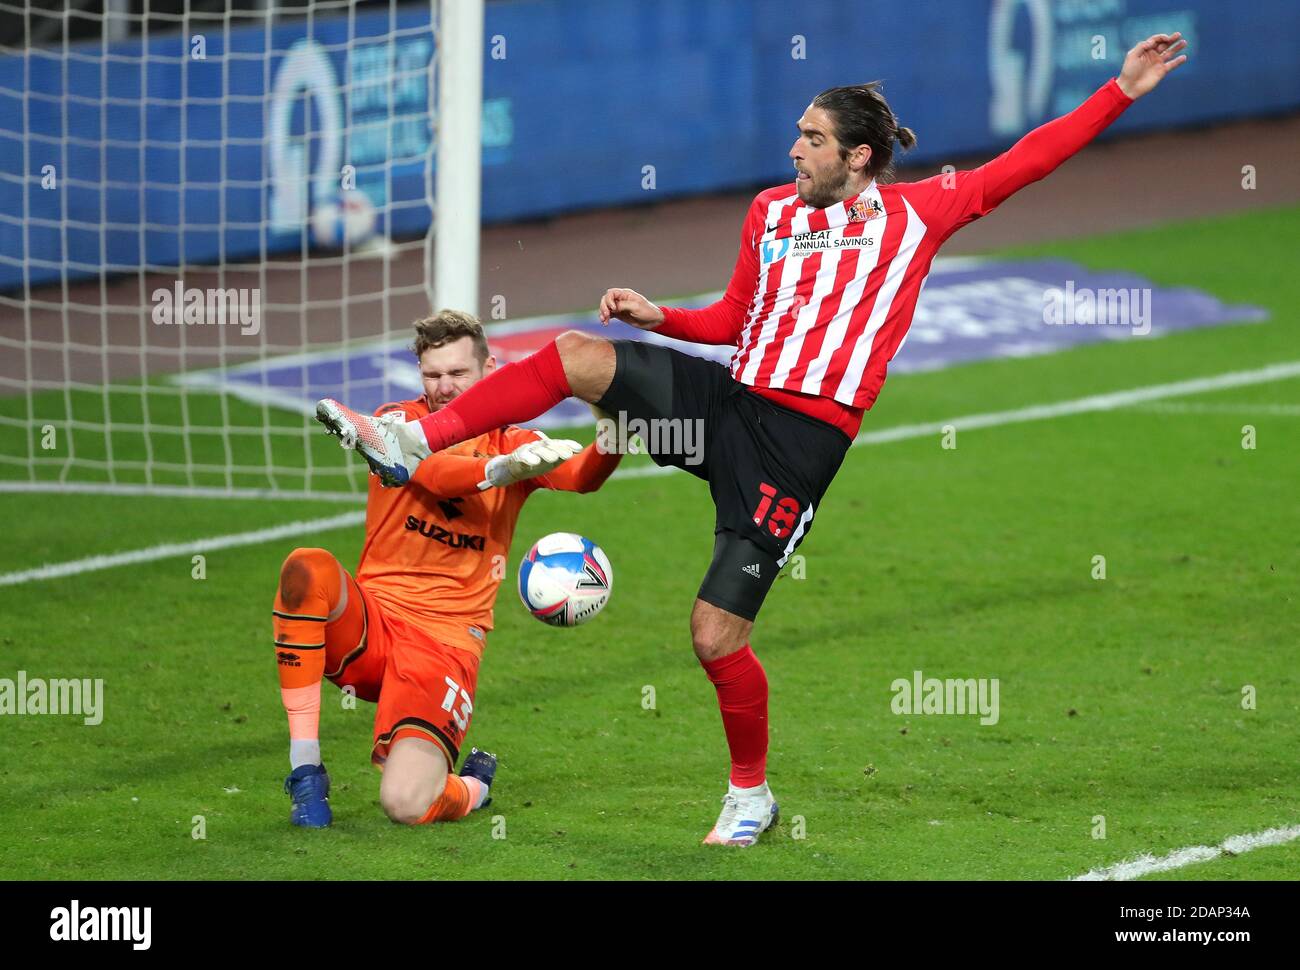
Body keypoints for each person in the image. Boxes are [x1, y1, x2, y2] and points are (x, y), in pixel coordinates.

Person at [315, 35, 1188, 844]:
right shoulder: (771, 213)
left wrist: (1120, 90)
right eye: (796, 134)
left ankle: (751, 796)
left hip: (796, 449)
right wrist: (667, 319)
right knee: (578, 355)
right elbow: (737, 318)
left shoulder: (921, 213)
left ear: (858, 157)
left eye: (812, 138)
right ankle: (418, 440)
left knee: (713, 636)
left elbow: (1027, 161)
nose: (794, 148)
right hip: (728, 403)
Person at [278, 310, 621, 827]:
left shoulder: (515, 442)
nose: (443, 388)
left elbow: (582, 475)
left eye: (457, 374)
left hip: (444, 643)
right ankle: (305, 772)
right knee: (305, 568)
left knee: (406, 806)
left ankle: (472, 787)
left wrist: (616, 432)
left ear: (488, 369)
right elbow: (433, 473)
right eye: (432, 375)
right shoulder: (398, 423)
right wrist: (497, 471)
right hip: (373, 626)